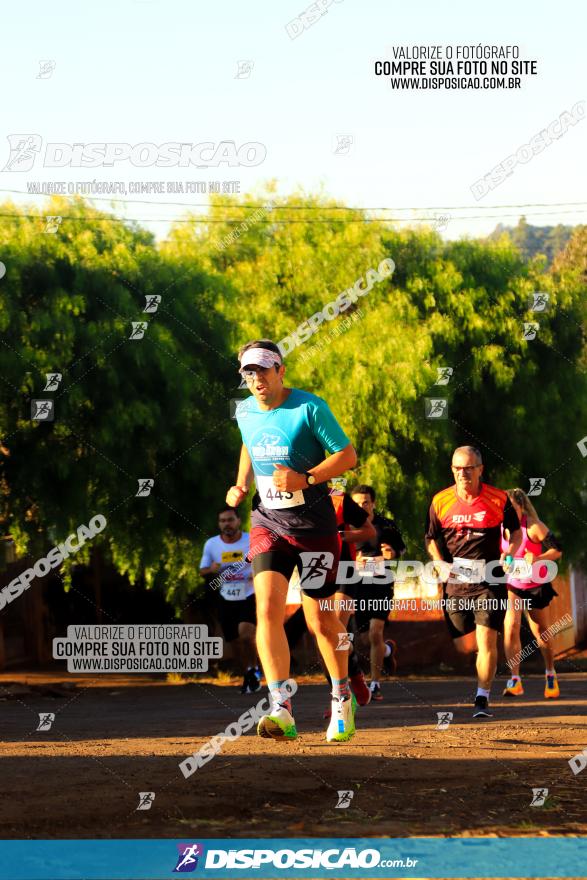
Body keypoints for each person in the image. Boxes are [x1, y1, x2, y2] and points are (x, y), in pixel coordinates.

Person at [226, 339, 358, 742]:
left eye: (264, 370)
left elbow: (347, 456)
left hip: (314, 527)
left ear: (281, 370)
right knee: (267, 609)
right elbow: (249, 443)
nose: (257, 378)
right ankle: (280, 707)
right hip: (269, 522)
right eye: (249, 372)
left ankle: (342, 697)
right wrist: (241, 483)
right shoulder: (244, 409)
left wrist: (307, 478)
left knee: (319, 618)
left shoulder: (308, 407)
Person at [425, 446, 522, 718]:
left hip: (489, 579)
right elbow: (430, 538)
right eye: (457, 468)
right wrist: (439, 562)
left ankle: (482, 698)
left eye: (468, 468)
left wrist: (510, 553)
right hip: (456, 582)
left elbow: (515, 532)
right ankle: (482, 664)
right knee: (464, 645)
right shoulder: (440, 501)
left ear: (480, 469)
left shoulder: (498, 499)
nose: (462, 473)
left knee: (486, 640)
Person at [501, 488, 563, 699]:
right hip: (514, 585)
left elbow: (557, 549)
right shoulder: (501, 529)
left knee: (541, 631)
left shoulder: (534, 527)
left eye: (510, 507)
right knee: (511, 626)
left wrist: (537, 558)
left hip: (536, 586)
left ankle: (550, 673)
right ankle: (515, 680)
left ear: (521, 506)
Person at [321, 487, 376, 716]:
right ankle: (347, 683)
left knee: (337, 633)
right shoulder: (290, 500)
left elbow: (368, 531)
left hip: (344, 569)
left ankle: (344, 693)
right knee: (322, 636)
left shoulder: (338, 498)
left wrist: (339, 536)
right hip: (316, 569)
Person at [350, 484, 406, 701]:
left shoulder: (386, 525)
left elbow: (400, 548)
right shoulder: (347, 526)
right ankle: (388, 651)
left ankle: (375, 684)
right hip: (357, 585)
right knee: (364, 639)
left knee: (375, 632)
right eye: (357, 503)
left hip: (382, 584)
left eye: (365, 502)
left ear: (373, 503)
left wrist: (391, 552)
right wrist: (354, 561)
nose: (362, 506)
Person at [200, 507, 260, 694]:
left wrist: (255, 573)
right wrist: (212, 569)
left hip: (249, 594)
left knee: (246, 634)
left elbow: (264, 561)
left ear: (238, 521)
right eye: (223, 521)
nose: (227, 524)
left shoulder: (251, 540)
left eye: (230, 520)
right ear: (219, 524)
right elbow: (202, 570)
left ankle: (256, 668)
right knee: (233, 640)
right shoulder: (211, 544)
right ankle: (248, 673)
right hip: (226, 596)